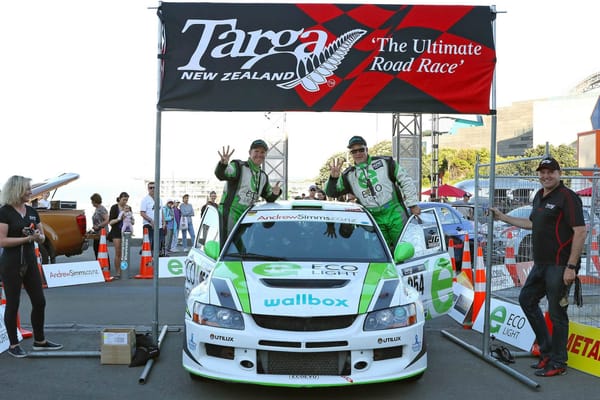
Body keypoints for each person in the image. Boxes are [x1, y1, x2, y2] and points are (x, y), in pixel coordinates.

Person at [490, 157, 586, 377]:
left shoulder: (568, 198)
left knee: (556, 313)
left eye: (550, 172)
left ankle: (559, 362)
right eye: (542, 172)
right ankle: (547, 351)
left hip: (559, 265)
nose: (546, 176)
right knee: (526, 300)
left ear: (559, 173)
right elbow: (532, 223)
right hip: (541, 264)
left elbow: (580, 231)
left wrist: (571, 266)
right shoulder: (539, 196)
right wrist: (503, 217)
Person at [0, 175, 63, 358]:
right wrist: (27, 238)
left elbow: (42, 237)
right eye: (27, 189)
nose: (30, 192)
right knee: (13, 304)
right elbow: (2, 241)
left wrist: (36, 235)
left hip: (30, 262)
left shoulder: (32, 211)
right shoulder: (4, 212)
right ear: (17, 190)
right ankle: (13, 344)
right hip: (11, 264)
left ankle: (40, 340)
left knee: (39, 301)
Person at [326, 135, 420, 250]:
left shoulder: (385, 162)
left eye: (361, 149)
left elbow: (405, 180)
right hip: (372, 217)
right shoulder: (348, 175)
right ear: (351, 154)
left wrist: (413, 204)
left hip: (394, 212)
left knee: (405, 249)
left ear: (367, 149)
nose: (358, 153)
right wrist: (333, 178)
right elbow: (331, 193)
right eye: (354, 151)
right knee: (380, 254)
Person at [215, 139, 281, 241]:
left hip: (248, 217)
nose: (259, 154)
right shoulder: (238, 166)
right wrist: (223, 164)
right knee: (227, 247)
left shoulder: (263, 176)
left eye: (262, 152)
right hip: (229, 215)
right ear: (250, 153)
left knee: (244, 249)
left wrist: (275, 193)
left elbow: (269, 197)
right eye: (256, 151)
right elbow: (222, 175)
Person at [107, 192, 130, 280]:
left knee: (125, 253)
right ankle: (118, 271)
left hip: (125, 232)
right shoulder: (114, 207)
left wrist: (131, 220)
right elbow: (110, 222)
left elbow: (132, 220)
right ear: (119, 199)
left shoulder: (128, 208)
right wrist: (119, 219)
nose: (125, 202)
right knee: (118, 252)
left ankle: (124, 270)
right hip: (116, 231)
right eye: (124, 200)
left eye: (126, 200)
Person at [140, 182, 162, 253]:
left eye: (154, 187)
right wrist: (150, 221)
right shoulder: (145, 200)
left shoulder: (159, 199)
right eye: (150, 188)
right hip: (148, 225)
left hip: (159, 226)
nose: (152, 189)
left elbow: (162, 211)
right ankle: (146, 261)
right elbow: (142, 213)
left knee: (158, 245)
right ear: (148, 189)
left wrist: (164, 222)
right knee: (148, 245)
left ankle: (156, 262)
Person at [89, 193, 109, 258]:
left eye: (92, 201)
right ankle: (99, 264)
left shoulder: (101, 209)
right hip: (97, 233)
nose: (91, 203)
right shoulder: (97, 209)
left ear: (95, 201)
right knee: (96, 249)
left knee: (101, 250)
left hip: (102, 233)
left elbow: (107, 220)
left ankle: (104, 265)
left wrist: (99, 226)